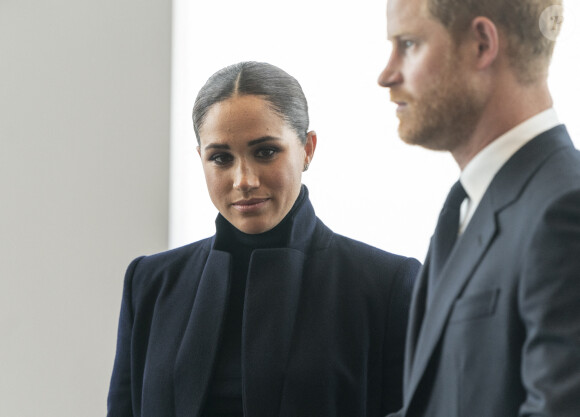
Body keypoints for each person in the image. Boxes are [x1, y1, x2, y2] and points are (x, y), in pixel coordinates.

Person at [107, 61, 420, 417]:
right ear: (201, 160)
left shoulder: (387, 285)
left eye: (265, 152)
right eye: (221, 158)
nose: (244, 180)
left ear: (308, 149)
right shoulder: (151, 282)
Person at [378, 0, 580, 416]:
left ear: (481, 44)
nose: (387, 75)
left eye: (409, 44)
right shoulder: (469, 204)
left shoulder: (565, 210)